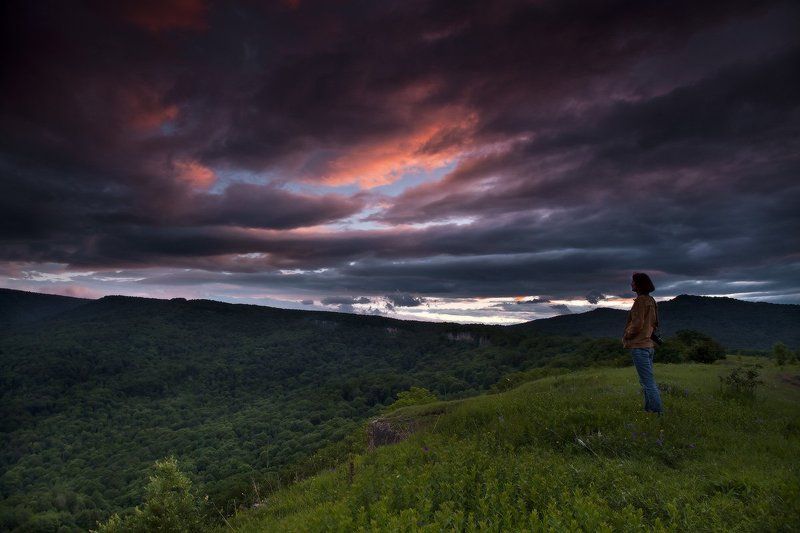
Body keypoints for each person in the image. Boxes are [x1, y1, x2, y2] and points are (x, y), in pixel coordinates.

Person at [623, 272, 663, 414]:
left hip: (639, 346)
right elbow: (655, 323)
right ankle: (649, 410)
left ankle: (658, 413)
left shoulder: (640, 301)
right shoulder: (651, 300)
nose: (631, 284)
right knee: (646, 382)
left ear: (639, 284)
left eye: (633, 282)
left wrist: (627, 334)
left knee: (648, 383)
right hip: (649, 345)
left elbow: (638, 323)